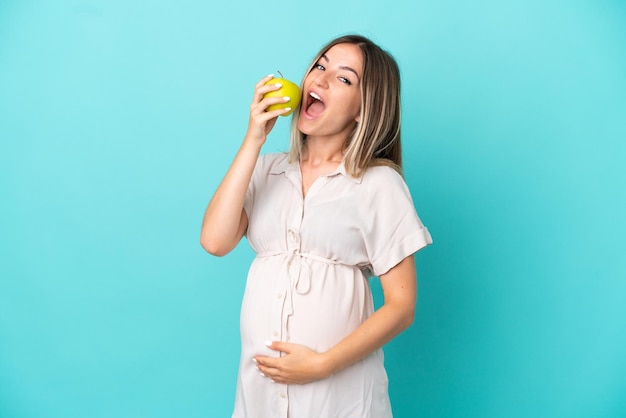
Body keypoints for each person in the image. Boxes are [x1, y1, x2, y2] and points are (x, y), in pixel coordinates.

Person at [200, 34, 432, 418]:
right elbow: (214, 241)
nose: (320, 80)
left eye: (343, 79)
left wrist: (322, 364)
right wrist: (253, 140)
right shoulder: (267, 170)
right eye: (320, 66)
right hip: (261, 396)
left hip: (339, 396)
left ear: (363, 109)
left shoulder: (378, 184)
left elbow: (402, 307)